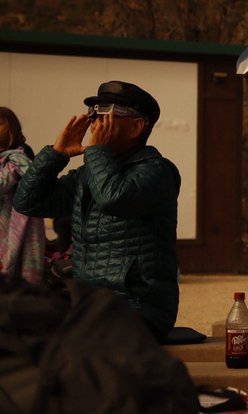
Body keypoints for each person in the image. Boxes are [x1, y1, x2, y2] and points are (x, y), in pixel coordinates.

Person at [14, 82, 179, 340]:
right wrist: (57, 154)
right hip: (90, 302)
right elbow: (28, 202)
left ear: (136, 127)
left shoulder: (157, 171)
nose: (95, 124)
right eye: (94, 114)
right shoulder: (90, 171)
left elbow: (113, 199)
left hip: (138, 307)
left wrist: (97, 151)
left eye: (107, 116)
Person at [0, 107, 46, 284]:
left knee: (17, 284)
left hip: (16, 226)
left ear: (12, 128)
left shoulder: (19, 158)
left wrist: (11, 170)